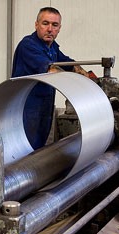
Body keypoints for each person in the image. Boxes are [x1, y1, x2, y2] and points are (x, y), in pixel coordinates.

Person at [11, 6, 89, 150]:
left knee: (39, 150)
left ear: (59, 28)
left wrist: (90, 78)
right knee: (25, 151)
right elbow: (52, 69)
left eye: (54, 25)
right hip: (26, 108)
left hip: (44, 107)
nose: (50, 29)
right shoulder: (28, 45)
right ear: (36, 25)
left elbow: (68, 64)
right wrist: (77, 88)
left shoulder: (52, 48)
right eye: (45, 23)